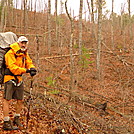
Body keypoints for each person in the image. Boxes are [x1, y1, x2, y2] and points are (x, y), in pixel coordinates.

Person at [3, 36, 37, 130]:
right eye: (22, 42)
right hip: (9, 78)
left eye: (25, 43)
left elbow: (29, 62)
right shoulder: (10, 53)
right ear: (18, 43)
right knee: (7, 100)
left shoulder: (24, 54)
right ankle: (6, 122)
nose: (23, 44)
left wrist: (32, 68)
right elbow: (13, 68)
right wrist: (26, 70)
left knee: (20, 100)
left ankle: (16, 118)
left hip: (19, 79)